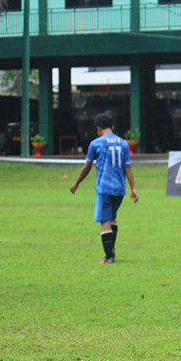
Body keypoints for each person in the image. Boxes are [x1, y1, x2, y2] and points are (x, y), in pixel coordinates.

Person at [69, 112, 139, 264]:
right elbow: (128, 167)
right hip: (120, 188)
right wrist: (133, 188)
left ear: (98, 129)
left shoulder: (96, 144)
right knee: (112, 217)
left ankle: (108, 257)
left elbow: (87, 167)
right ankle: (111, 253)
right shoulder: (123, 143)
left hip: (104, 187)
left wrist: (76, 183)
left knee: (104, 220)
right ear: (112, 127)